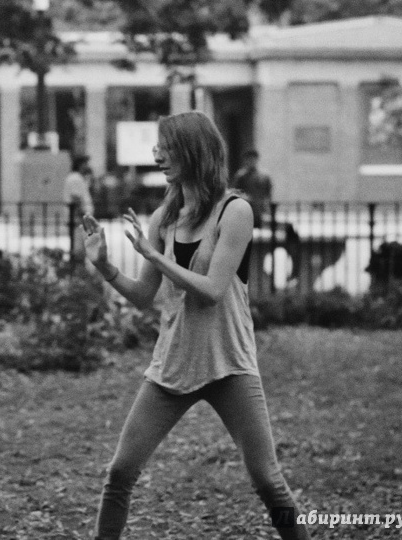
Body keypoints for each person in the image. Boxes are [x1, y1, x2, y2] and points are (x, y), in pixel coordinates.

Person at [82, 111, 310, 540]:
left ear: (194, 151)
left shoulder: (235, 211)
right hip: (173, 364)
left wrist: (154, 255)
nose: (158, 156)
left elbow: (212, 290)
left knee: (267, 480)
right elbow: (145, 296)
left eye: (167, 147)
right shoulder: (165, 219)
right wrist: (106, 267)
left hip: (229, 364)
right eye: (158, 147)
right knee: (120, 473)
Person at [231, 149, 272, 228]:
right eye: (249, 159)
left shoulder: (264, 176)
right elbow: (235, 192)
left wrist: (267, 206)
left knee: (260, 230)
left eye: (253, 159)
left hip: (259, 209)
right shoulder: (241, 176)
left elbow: (268, 193)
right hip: (245, 208)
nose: (251, 161)